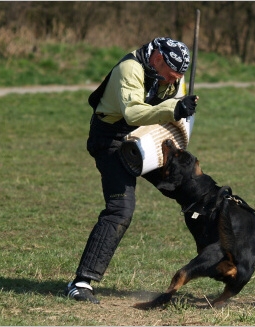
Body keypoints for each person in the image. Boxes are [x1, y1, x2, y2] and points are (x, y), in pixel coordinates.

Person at [65, 37, 199, 304]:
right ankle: (80, 282)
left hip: (144, 134)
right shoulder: (130, 69)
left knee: (191, 184)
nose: (173, 82)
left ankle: (227, 253)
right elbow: (133, 113)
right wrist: (174, 108)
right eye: (170, 75)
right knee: (120, 209)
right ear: (157, 59)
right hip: (111, 138)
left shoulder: (170, 73)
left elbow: (171, 99)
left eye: (178, 77)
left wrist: (184, 107)